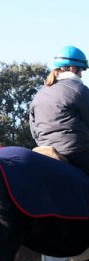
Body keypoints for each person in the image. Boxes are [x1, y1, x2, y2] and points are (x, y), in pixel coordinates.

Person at [30, 45, 89, 173]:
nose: (81, 75)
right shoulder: (80, 90)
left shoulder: (39, 94)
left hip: (44, 150)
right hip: (75, 153)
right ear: (73, 68)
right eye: (81, 71)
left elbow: (34, 129)